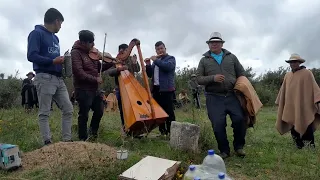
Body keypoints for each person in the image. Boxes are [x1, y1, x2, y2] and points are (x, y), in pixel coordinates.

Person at [27, 8, 73, 145]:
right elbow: (31, 55)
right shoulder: (36, 34)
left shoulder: (55, 37)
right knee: (45, 111)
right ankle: (47, 142)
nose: (61, 27)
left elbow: (53, 56)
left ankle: (66, 140)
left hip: (58, 78)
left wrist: (63, 62)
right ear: (56, 21)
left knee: (68, 108)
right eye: (61, 23)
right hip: (44, 77)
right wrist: (52, 61)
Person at [196, 32, 246, 159]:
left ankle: (239, 147)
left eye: (217, 42)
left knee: (240, 119)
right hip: (214, 97)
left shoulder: (231, 57)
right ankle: (224, 150)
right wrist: (213, 78)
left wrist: (242, 87)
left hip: (231, 95)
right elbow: (198, 79)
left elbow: (241, 73)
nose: (214, 44)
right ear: (208, 45)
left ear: (222, 44)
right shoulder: (204, 60)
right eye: (211, 43)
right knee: (218, 124)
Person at [71, 30, 113, 141]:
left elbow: (100, 68)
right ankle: (83, 139)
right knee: (84, 115)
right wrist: (95, 79)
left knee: (99, 111)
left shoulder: (93, 53)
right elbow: (78, 72)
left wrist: (112, 62)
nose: (93, 45)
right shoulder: (76, 53)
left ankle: (93, 134)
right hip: (83, 89)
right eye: (91, 43)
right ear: (84, 42)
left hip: (95, 89)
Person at [275, 53, 320, 149]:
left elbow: (314, 88)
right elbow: (284, 90)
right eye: (291, 62)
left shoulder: (307, 73)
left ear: (299, 62)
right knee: (292, 123)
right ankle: (298, 144)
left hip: (305, 105)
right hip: (291, 105)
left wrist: (317, 99)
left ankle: (310, 145)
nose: (293, 64)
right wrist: (282, 102)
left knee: (306, 123)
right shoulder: (288, 75)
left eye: (295, 62)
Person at [145, 41, 176, 136]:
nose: (160, 50)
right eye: (158, 49)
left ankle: (171, 132)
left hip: (167, 90)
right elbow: (150, 75)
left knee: (169, 112)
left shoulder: (170, 58)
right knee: (159, 112)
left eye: (161, 48)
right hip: (156, 90)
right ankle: (162, 132)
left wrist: (156, 60)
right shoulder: (155, 63)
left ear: (165, 49)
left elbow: (168, 67)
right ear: (156, 50)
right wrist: (148, 64)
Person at [107, 44, 140, 131]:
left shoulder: (130, 59)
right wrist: (118, 69)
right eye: (121, 51)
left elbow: (137, 69)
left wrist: (135, 62)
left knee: (134, 108)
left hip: (132, 88)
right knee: (123, 109)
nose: (123, 53)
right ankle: (125, 128)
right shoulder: (116, 61)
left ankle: (136, 127)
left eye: (125, 51)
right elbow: (110, 72)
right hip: (120, 88)